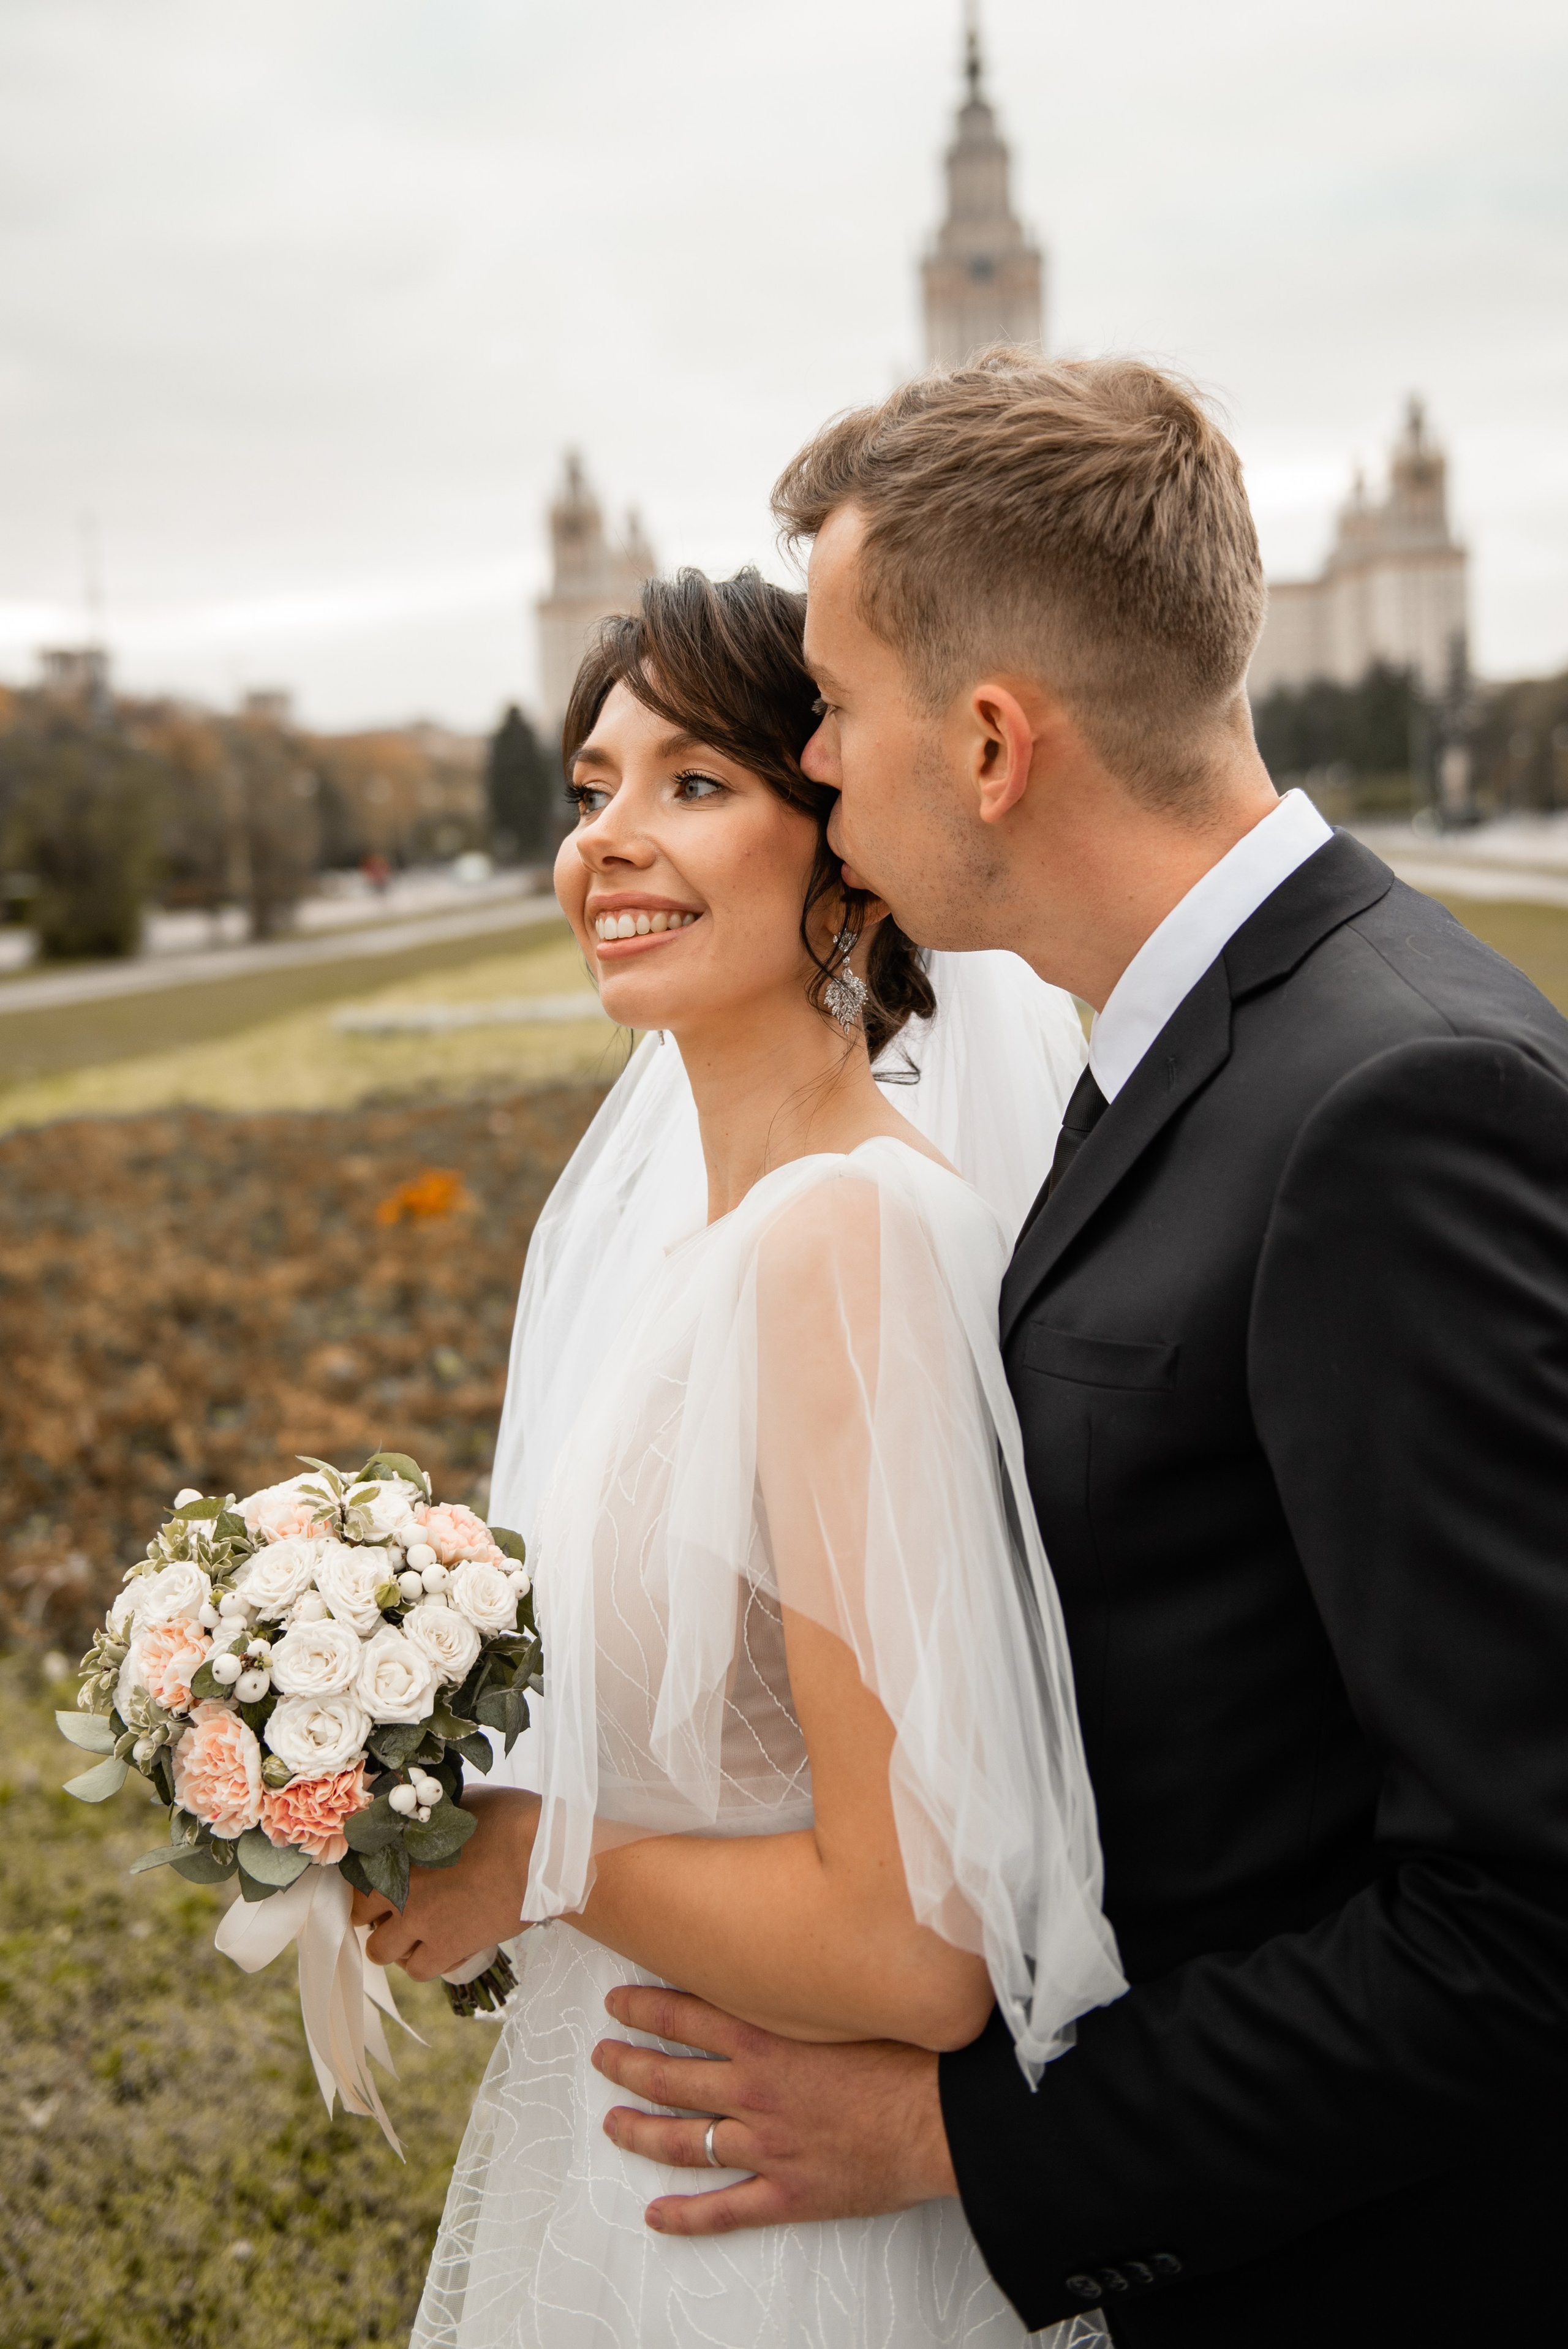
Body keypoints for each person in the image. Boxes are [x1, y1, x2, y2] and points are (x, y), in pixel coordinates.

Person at [590, 356, 1568, 2347]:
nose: (828, 778)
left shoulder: (1393, 1104)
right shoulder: (1206, 1054)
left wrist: (978, 2146)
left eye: (837, 717)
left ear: (992, 742)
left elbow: (1529, 1926)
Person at [357, 565, 1126, 2348]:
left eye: (694, 784)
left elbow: (920, 1943)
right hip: (632, 2154)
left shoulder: (843, 1243)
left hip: (786, 2232)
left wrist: (539, 1856)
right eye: (591, 788)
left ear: (844, 842)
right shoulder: (682, 1249)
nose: (610, 840)